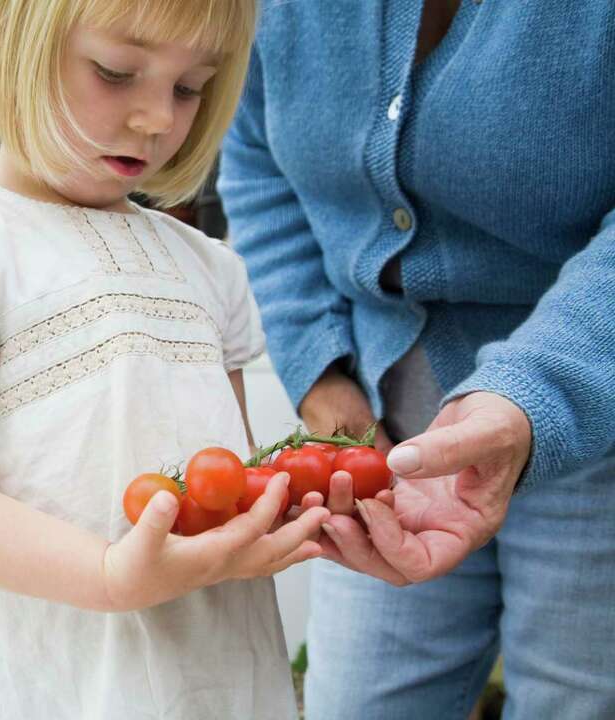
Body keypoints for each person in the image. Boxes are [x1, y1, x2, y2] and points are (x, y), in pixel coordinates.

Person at [0, 1, 331, 717]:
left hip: (209, 671)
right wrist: (110, 575)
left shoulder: (210, 269)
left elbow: (232, 476)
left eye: (189, 87)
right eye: (116, 72)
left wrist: (298, 506)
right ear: (12, 45)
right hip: (49, 680)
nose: (156, 118)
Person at [218, 2, 615, 719]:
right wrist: (319, 370)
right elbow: (255, 163)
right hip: (382, 437)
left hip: (599, 411)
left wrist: (534, 394)